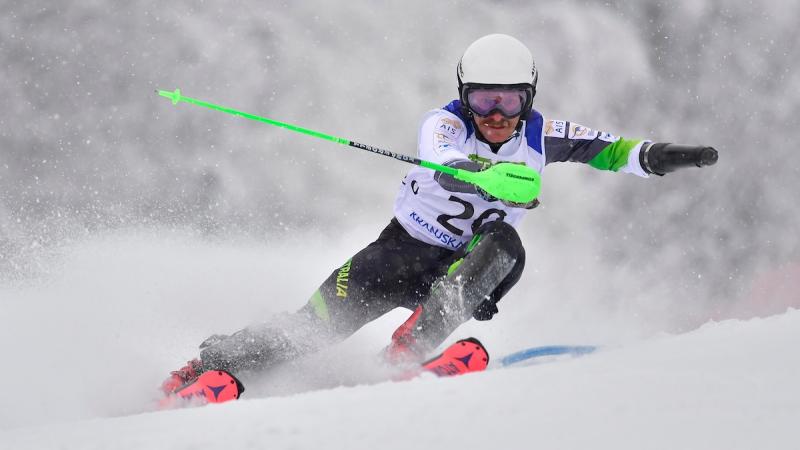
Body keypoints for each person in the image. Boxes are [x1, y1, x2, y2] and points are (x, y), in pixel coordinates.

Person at [161, 34, 718, 396]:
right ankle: (208, 369)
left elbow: (611, 150)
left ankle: (409, 351)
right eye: (483, 101)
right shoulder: (443, 123)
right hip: (397, 252)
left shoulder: (542, 134)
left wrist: (659, 157)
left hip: (456, 270)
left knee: (506, 245)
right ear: (463, 96)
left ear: (528, 98)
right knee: (309, 332)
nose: (496, 115)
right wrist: (489, 175)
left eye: (509, 101)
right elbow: (446, 163)